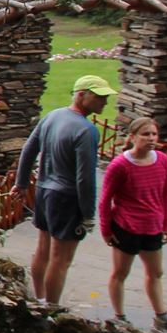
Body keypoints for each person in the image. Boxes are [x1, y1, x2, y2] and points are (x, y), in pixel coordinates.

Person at [13, 73, 116, 307]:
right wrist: (89, 214)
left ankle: (37, 297)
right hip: (67, 198)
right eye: (99, 97)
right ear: (81, 95)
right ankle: (51, 307)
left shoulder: (52, 117)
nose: (104, 102)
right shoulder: (86, 130)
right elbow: (85, 178)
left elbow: (28, 150)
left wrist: (20, 183)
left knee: (42, 249)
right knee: (61, 259)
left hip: (44, 191)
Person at [99, 116, 167, 332]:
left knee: (156, 272)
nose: (151, 138)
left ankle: (161, 316)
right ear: (132, 137)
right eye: (145, 134)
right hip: (126, 226)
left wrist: (166, 223)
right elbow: (105, 199)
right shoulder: (120, 165)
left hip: (153, 226)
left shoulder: (163, 160)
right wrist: (106, 230)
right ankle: (120, 317)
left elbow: (166, 193)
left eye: (154, 134)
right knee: (120, 273)